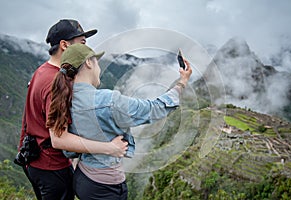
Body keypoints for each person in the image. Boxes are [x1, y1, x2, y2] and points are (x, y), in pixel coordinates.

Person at [46, 43, 192, 200]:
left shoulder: (63, 99)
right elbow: (153, 108)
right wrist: (182, 82)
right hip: (106, 186)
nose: (99, 68)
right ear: (89, 62)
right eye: (97, 62)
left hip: (83, 177)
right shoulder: (109, 101)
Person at [17, 19, 128, 200]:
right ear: (64, 45)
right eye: (82, 42)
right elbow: (59, 139)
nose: (86, 47)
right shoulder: (55, 82)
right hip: (52, 167)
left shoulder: (42, 71)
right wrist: (109, 148)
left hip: (36, 161)